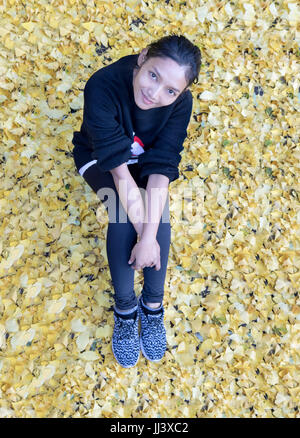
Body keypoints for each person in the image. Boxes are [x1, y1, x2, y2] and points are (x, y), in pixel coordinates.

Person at [72, 34, 201, 368]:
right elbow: (120, 175)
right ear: (142, 57)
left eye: (171, 90)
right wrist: (145, 238)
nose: (155, 93)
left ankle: (153, 305)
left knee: (160, 214)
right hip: (102, 157)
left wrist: (149, 238)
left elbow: (161, 168)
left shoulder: (180, 103)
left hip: (144, 162)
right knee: (122, 214)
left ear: (182, 92)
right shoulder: (102, 86)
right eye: (153, 75)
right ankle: (126, 308)